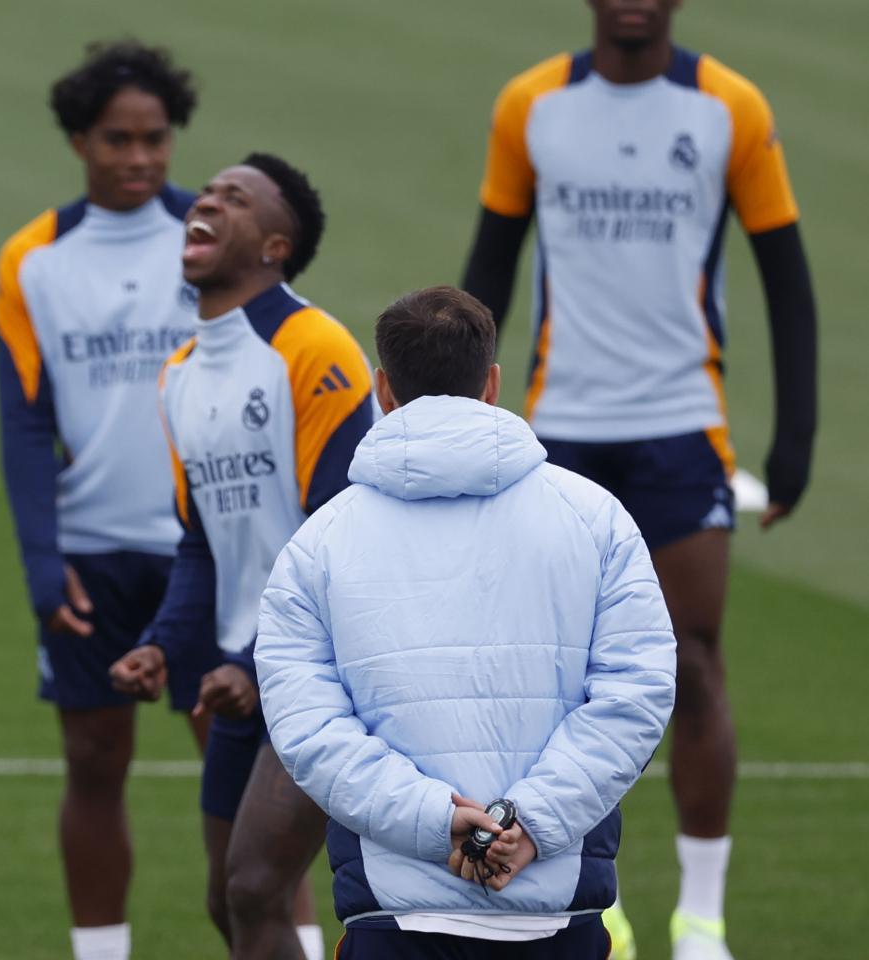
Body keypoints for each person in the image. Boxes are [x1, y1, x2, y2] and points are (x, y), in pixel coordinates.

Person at [459, 2, 817, 955]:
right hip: (559, 426)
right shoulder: (530, 105)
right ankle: (593, 898)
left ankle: (701, 918)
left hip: (679, 429)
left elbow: (785, 272)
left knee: (692, 665)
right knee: (557, 678)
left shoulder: (728, 107)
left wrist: (797, 438)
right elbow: (490, 263)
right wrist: (457, 408)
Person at [256, 285, 678, 959]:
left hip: (395, 920)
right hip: (558, 918)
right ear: (492, 384)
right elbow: (638, 694)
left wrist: (439, 824)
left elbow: (309, 730)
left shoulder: (318, 543)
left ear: (382, 388)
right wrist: (528, 824)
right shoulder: (597, 519)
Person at [110, 154, 375, 960]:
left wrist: (263, 665)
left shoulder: (313, 348)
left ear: (274, 246)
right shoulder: (180, 375)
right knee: (230, 900)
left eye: (236, 198)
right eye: (209, 192)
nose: (209, 202)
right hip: (244, 672)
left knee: (259, 885)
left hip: (329, 670)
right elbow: (203, 542)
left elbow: (347, 529)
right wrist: (161, 642)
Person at [0, 39, 204, 960]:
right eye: (118, 139)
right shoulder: (34, 259)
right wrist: (44, 563)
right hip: (91, 554)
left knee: (241, 766)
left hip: (211, 552)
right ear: (81, 140)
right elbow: (26, 424)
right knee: (93, 763)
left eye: (155, 138)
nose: (140, 157)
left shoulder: (216, 233)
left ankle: (278, 943)